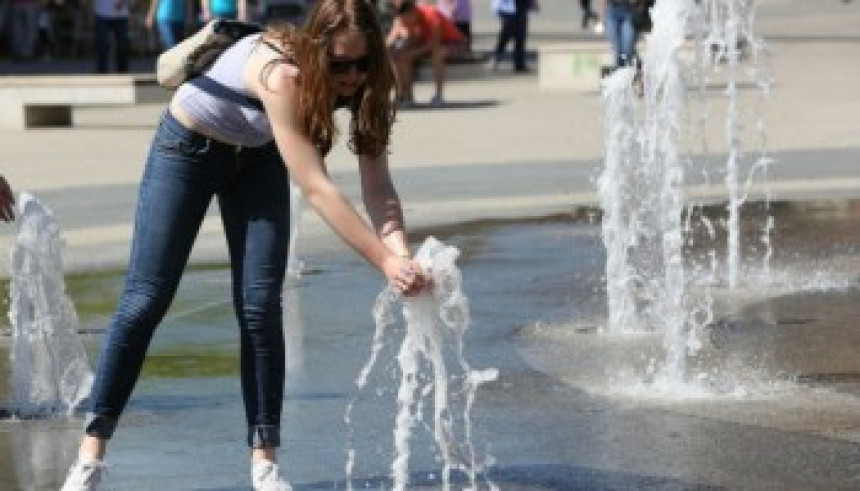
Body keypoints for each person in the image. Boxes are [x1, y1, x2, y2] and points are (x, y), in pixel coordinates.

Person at [60, 0, 429, 489]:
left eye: (363, 64)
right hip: (190, 146)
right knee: (146, 298)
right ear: (318, 53)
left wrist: (400, 251)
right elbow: (317, 187)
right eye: (340, 65)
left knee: (260, 306)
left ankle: (265, 464)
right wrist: (382, 260)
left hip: (259, 159)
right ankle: (91, 453)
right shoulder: (284, 75)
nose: (352, 77)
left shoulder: (374, 86)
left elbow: (377, 185)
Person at [386, 0, 467, 107]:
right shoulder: (400, 18)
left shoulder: (431, 14)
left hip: (453, 43)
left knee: (437, 53)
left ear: (413, 12)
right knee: (398, 55)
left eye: (407, 20)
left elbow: (434, 43)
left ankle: (439, 95)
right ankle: (406, 96)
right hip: (425, 44)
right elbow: (389, 42)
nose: (406, 24)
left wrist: (411, 53)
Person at [488, 0, 538, 74]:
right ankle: (496, 58)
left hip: (521, 7)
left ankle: (519, 64)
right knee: (506, 35)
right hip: (508, 9)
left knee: (520, 37)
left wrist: (533, 3)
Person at [93, 0, 131, 73]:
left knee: (122, 44)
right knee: (102, 44)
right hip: (102, 13)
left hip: (121, 15)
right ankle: (102, 70)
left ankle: (122, 70)